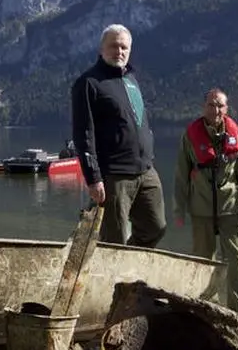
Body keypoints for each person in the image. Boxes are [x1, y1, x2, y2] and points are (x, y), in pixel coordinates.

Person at [70, 24, 166, 247]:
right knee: (115, 240)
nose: (119, 51)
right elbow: (83, 134)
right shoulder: (88, 83)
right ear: (101, 48)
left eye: (124, 47)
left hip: (146, 170)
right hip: (114, 175)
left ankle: (128, 271)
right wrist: (93, 178)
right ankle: (115, 279)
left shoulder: (131, 80)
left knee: (156, 226)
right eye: (113, 46)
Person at [173, 88, 238, 315]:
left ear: (226, 109)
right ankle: (207, 307)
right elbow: (181, 175)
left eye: (220, 105)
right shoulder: (190, 136)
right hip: (201, 208)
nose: (215, 110)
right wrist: (179, 209)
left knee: (237, 259)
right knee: (202, 260)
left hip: (229, 207)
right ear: (204, 107)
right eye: (211, 105)